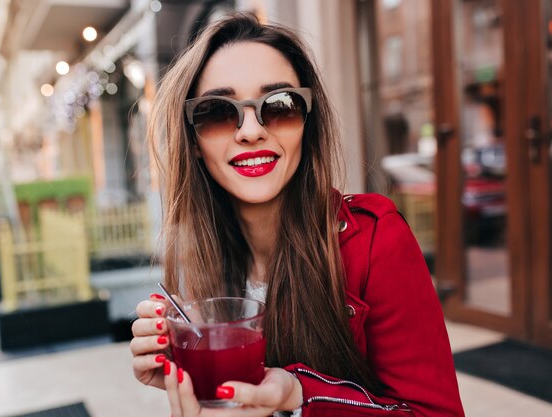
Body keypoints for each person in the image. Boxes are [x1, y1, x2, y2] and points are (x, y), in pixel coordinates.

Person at [130, 12, 465, 417]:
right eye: (218, 111)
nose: (250, 130)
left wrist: (298, 396)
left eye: (280, 105)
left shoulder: (376, 241)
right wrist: (190, 375)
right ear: (194, 141)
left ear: (307, 122)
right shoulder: (200, 265)